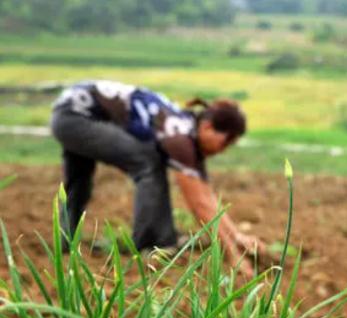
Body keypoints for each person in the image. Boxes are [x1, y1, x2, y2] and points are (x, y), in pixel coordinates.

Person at [51, 80, 264, 275]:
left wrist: (236, 236)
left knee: (80, 180)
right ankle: (151, 242)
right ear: (208, 127)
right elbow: (199, 205)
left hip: (72, 113)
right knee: (148, 163)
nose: (224, 150)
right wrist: (232, 256)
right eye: (226, 141)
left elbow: (206, 195)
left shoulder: (186, 129)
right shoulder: (180, 139)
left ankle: (65, 242)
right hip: (75, 116)